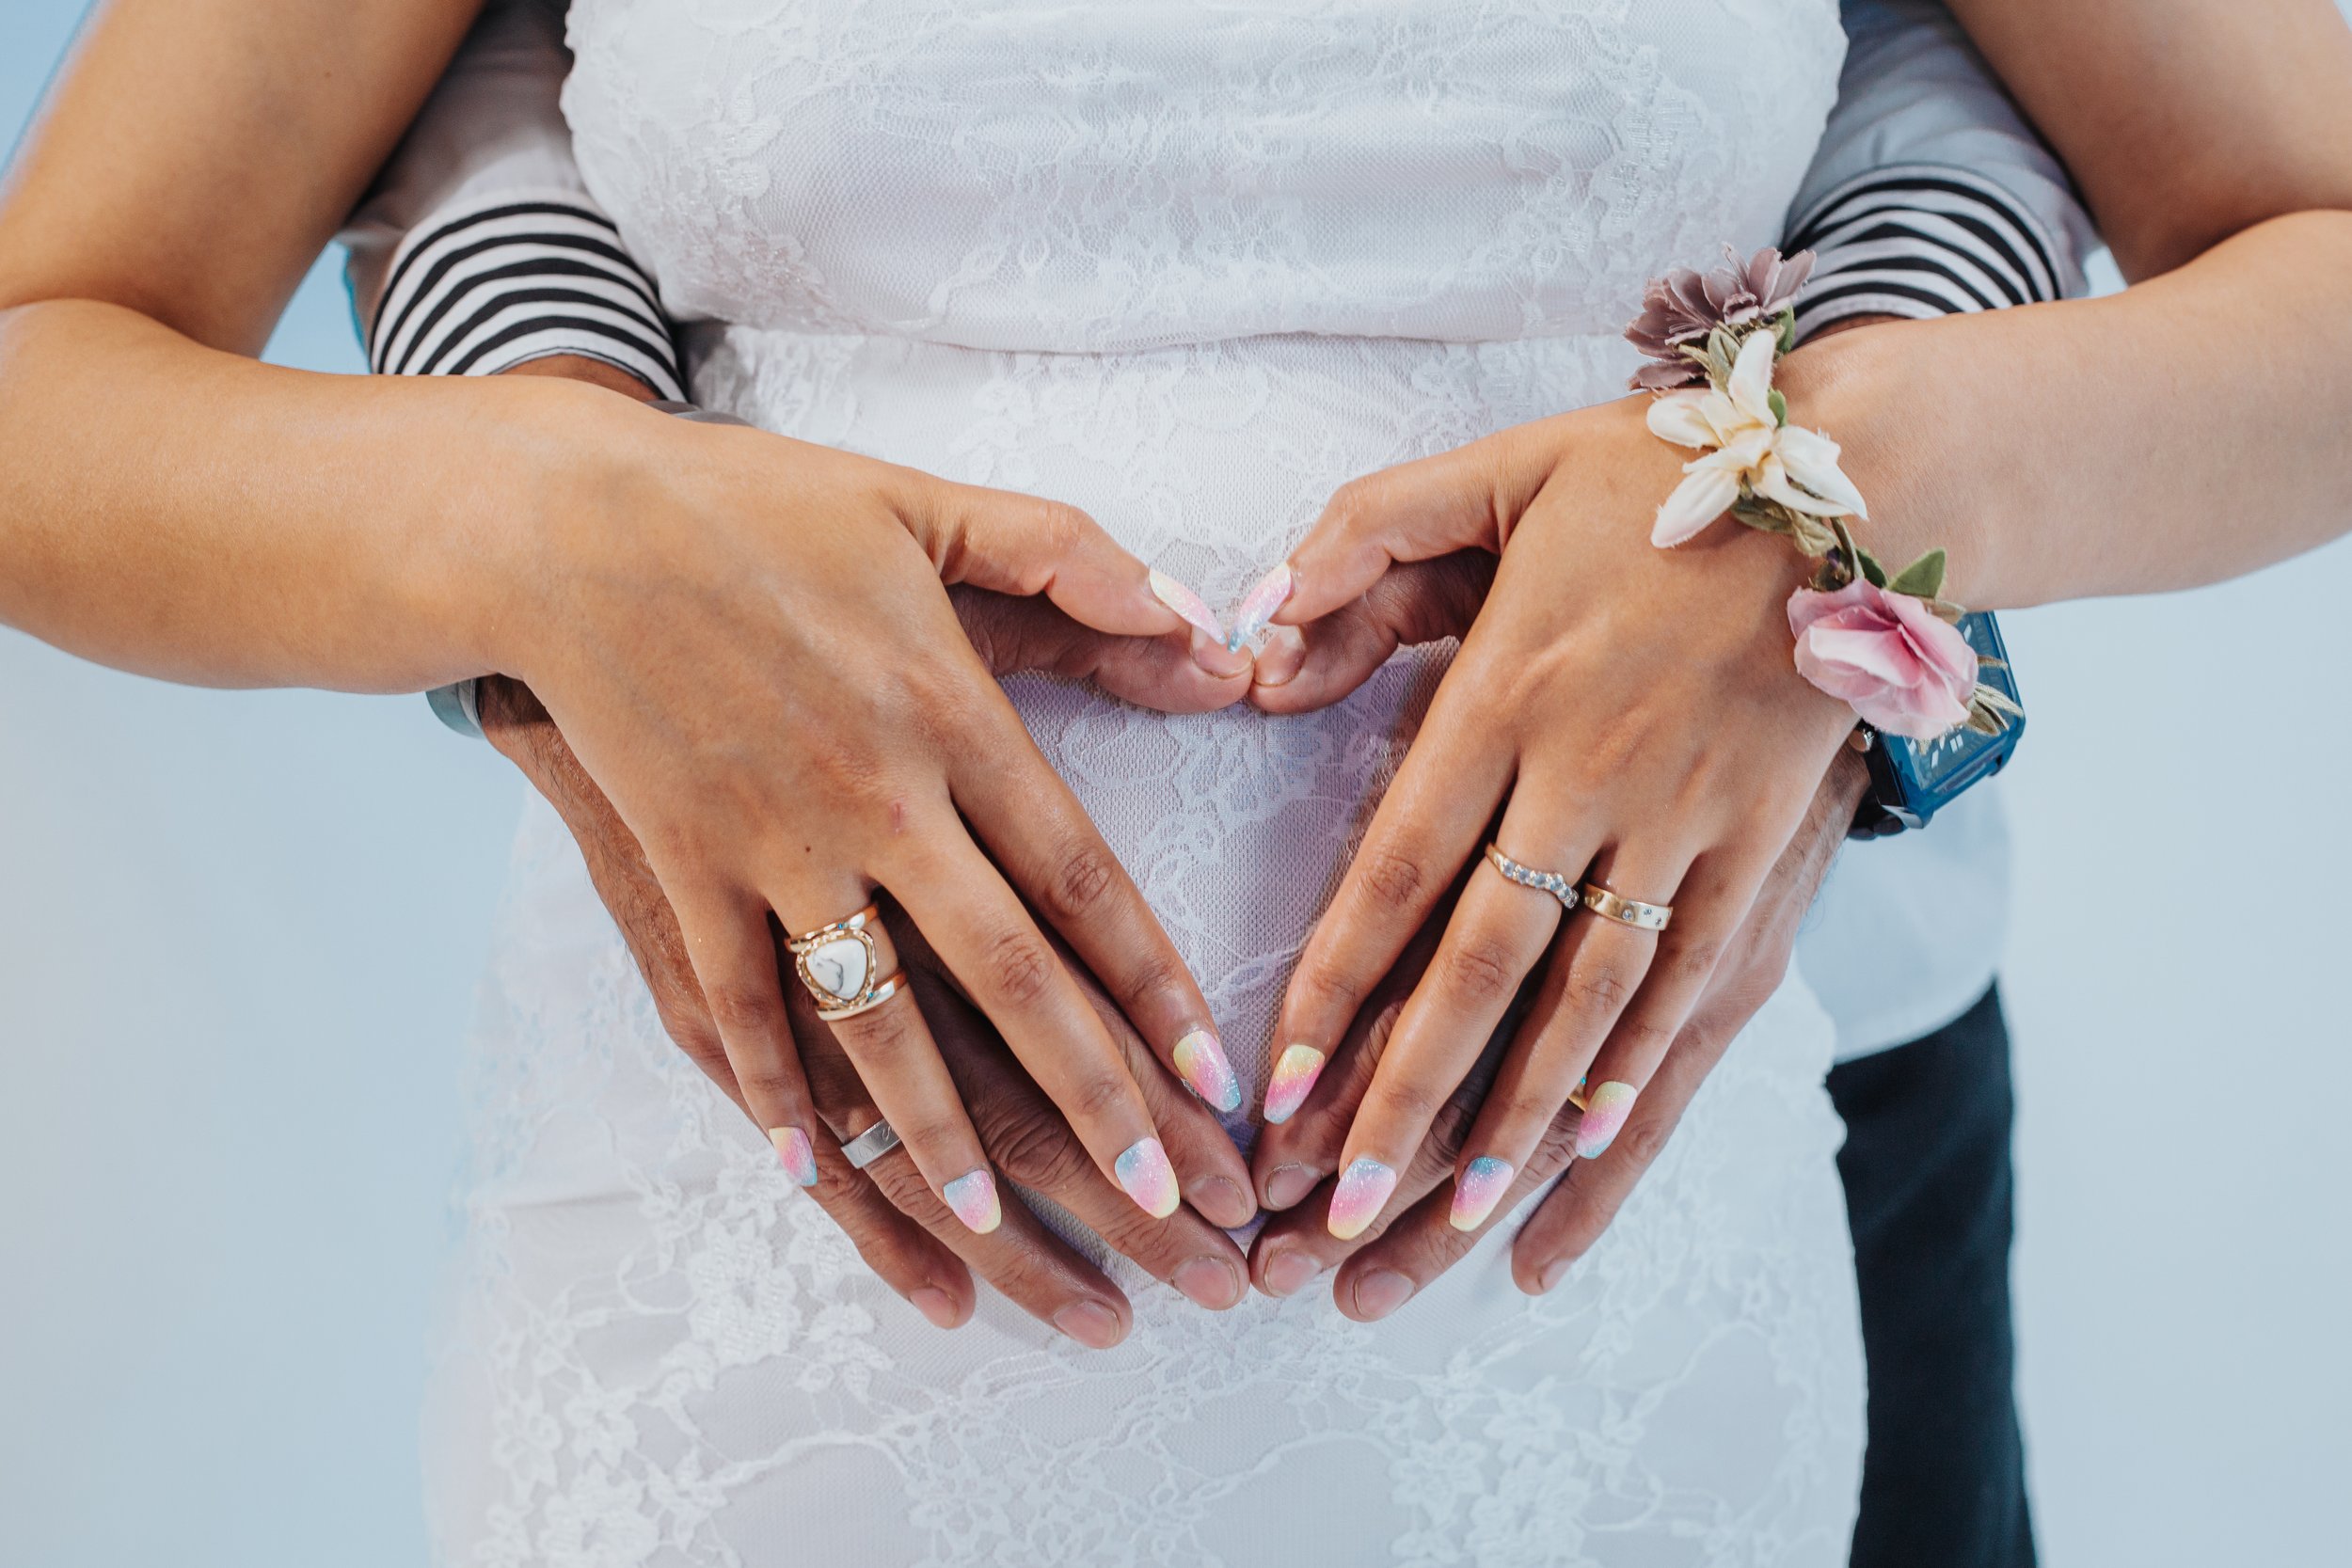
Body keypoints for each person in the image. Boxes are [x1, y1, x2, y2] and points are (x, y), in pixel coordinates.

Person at [3, 0, 2349, 1562]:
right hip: (759, 1347)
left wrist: (1833, 500)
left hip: (1648, 1303)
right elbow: (60, 369)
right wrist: (542, 524)